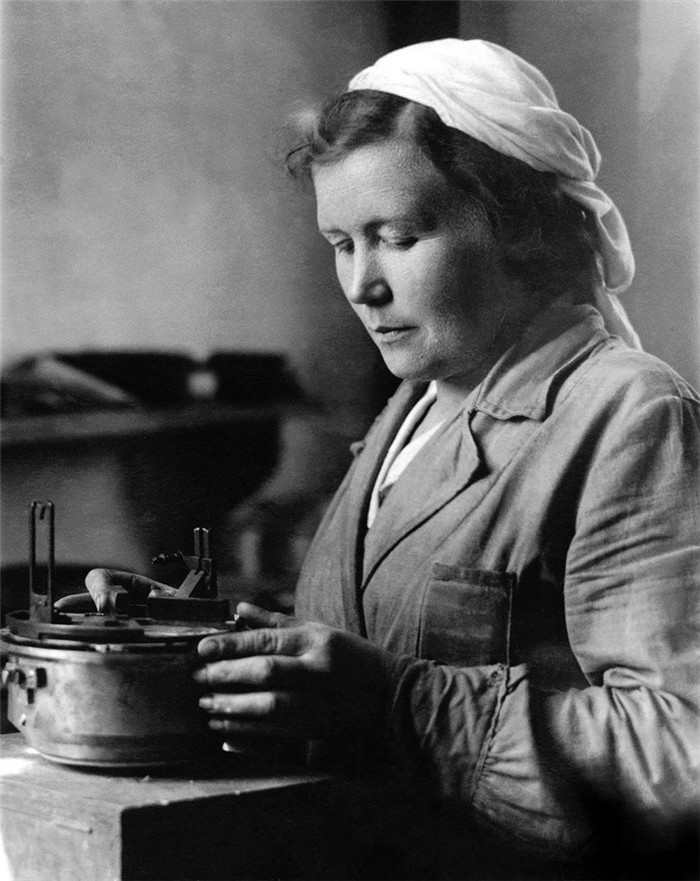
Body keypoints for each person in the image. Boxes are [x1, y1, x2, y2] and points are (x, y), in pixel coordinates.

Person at [62, 40, 699, 880]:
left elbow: (679, 759)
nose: (363, 284)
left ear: (516, 224)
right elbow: (368, 644)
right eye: (341, 243)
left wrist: (403, 704)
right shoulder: (414, 409)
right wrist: (189, 633)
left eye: (397, 237)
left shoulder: (626, 412)